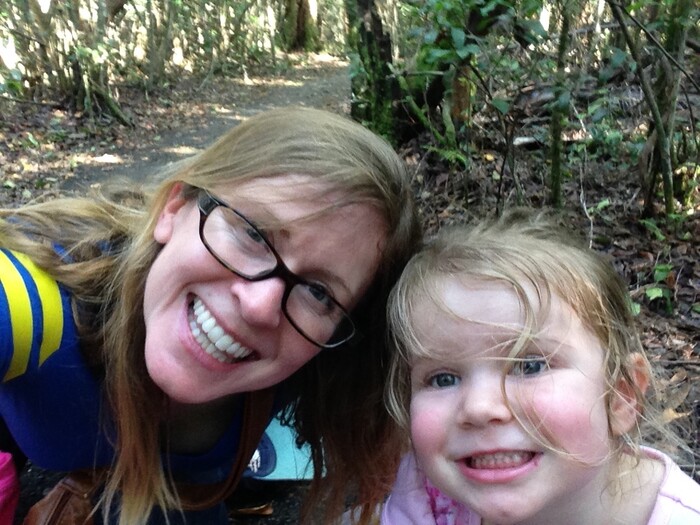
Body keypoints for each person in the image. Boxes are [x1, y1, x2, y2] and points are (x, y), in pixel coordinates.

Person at [0, 106, 422, 525]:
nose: (259, 307)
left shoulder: (321, 357)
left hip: (178, 487)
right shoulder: (34, 302)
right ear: (174, 207)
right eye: (253, 232)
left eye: (318, 292)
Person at [382, 210, 699, 525]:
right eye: (443, 379)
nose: (479, 407)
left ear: (621, 396)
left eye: (530, 366)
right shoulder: (427, 498)